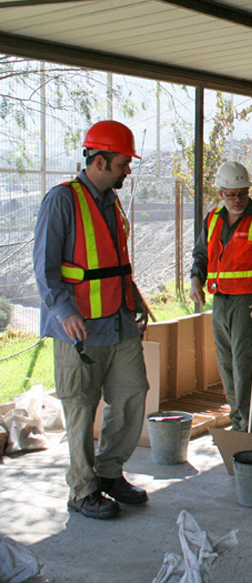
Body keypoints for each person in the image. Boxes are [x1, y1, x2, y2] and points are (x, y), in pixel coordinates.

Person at [33, 120, 150, 520]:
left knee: (133, 393)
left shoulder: (111, 202)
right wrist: (64, 313)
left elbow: (114, 263)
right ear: (99, 161)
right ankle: (82, 490)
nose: (127, 171)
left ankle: (109, 472)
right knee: (81, 408)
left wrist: (133, 300)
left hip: (118, 322)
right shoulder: (62, 201)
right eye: (122, 163)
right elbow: (45, 269)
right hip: (79, 328)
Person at [190, 161, 252, 432]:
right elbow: (201, 254)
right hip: (220, 301)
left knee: (245, 365)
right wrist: (195, 279)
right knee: (226, 365)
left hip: (250, 303)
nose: (237, 200)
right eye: (231, 195)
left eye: (242, 194)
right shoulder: (212, 219)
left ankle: (249, 425)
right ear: (221, 194)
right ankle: (238, 420)